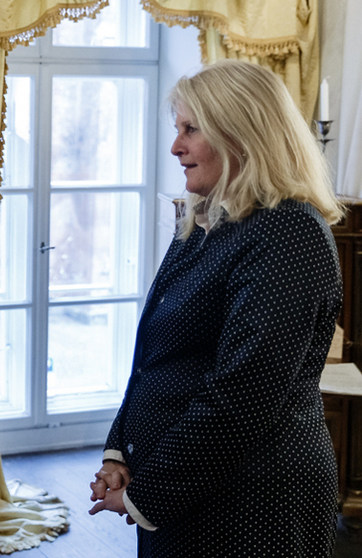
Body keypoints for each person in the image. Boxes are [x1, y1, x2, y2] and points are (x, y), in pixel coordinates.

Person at [89, 59, 343, 556]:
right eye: (176, 128)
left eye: (191, 129)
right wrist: (122, 448)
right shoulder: (205, 219)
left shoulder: (287, 232)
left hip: (253, 501)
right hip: (189, 491)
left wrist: (145, 493)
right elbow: (156, 355)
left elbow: (243, 394)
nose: (175, 146)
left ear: (241, 133)